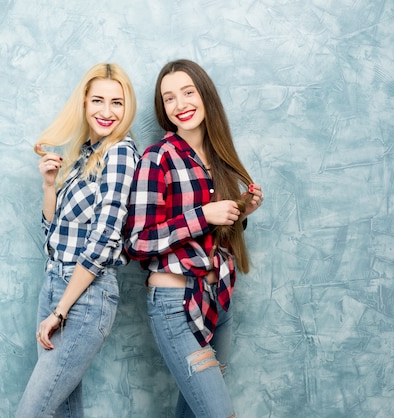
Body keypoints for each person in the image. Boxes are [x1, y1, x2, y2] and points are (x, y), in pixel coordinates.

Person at [124, 59, 263, 418]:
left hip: (219, 302)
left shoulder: (220, 159)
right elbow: (137, 242)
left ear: (205, 96)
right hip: (175, 305)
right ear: (163, 109)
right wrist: (203, 215)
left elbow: (215, 237)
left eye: (188, 92)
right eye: (169, 98)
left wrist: (239, 215)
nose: (180, 104)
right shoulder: (157, 158)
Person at [16, 63, 139, 418]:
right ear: (84, 103)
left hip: (84, 297)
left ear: (127, 107)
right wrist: (50, 186)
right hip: (55, 283)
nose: (106, 111)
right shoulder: (85, 154)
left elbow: (103, 240)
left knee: (33, 412)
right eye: (97, 100)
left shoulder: (119, 154)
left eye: (117, 102)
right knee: (63, 410)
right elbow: (53, 233)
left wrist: (61, 310)